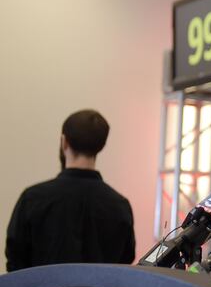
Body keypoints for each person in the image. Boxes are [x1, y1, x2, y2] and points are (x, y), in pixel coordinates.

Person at [5, 109, 135, 271]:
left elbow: (15, 263)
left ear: (64, 142)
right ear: (100, 146)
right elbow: (125, 262)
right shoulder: (120, 206)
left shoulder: (32, 198)